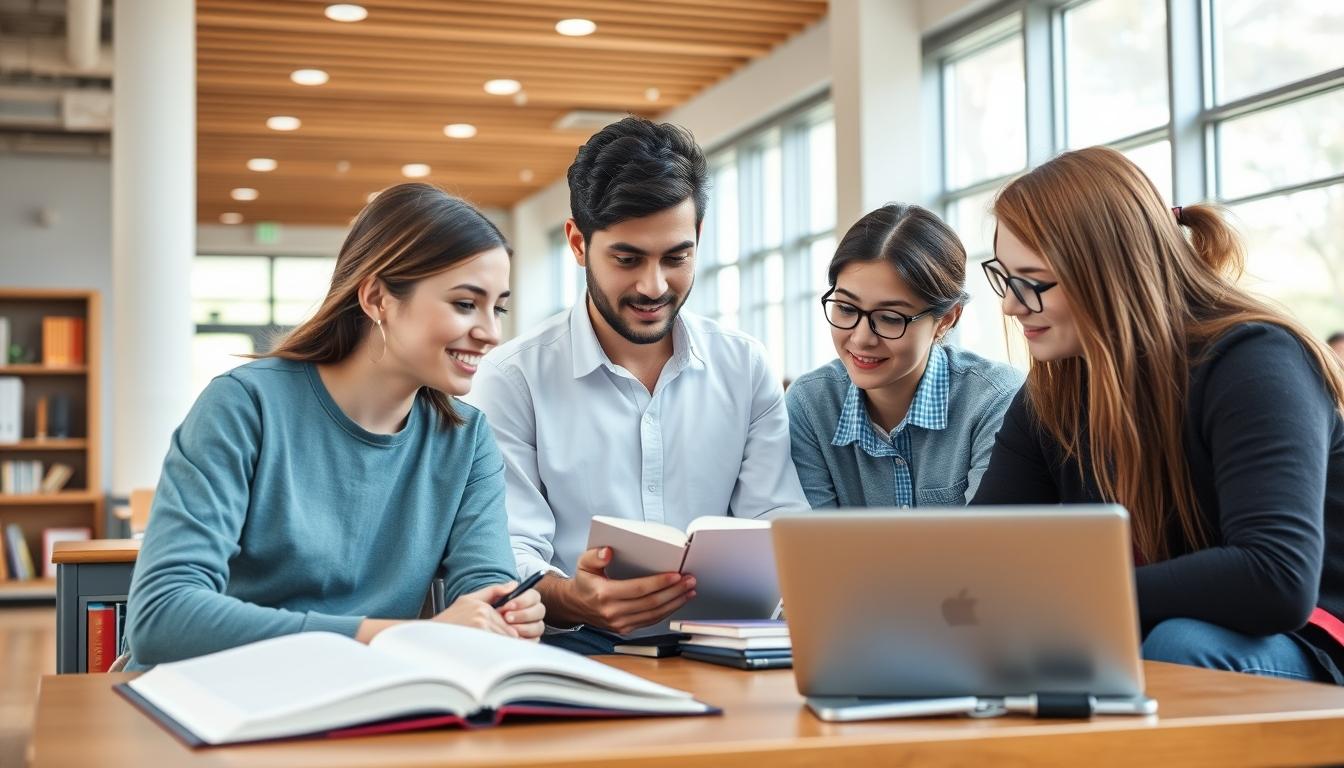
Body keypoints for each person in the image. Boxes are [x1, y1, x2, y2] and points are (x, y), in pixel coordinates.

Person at [124, 183, 544, 668]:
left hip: (362, 699)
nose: (492, 332)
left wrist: (507, 612)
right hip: (221, 701)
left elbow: (485, 592)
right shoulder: (244, 405)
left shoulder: (467, 439)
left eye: (500, 308)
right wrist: (397, 636)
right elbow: (163, 617)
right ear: (377, 298)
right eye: (466, 304)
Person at [972, 147, 1344, 683]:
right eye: (1004, 278)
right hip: (1152, 633)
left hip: (1309, 641)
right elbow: (983, 548)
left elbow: (1276, 578)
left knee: (1179, 644)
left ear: (1109, 270)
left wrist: (1064, 592)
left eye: (1033, 281)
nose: (1010, 304)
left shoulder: (1257, 361)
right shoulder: (1052, 393)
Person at [466, 117, 808, 653]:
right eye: (627, 259)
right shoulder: (513, 378)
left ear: (698, 240)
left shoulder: (744, 366)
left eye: (676, 258)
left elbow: (776, 520)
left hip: (724, 642)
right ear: (578, 244)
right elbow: (509, 548)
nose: (653, 286)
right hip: (575, 646)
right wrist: (574, 596)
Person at [786, 204, 1022, 508]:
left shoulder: (995, 400)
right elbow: (812, 548)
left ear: (947, 318)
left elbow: (989, 546)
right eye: (846, 309)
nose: (861, 338)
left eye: (890, 318)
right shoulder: (810, 405)